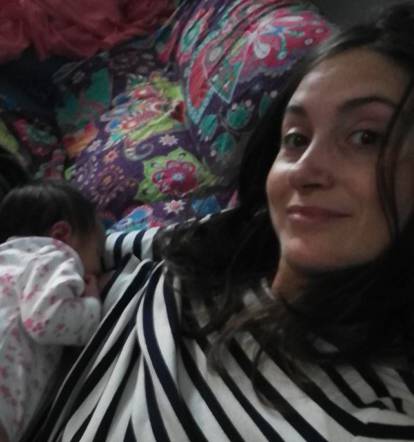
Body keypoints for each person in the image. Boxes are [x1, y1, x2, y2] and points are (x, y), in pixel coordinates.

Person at [30, 2, 414, 441]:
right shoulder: (232, 237)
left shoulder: (375, 422)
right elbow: (71, 251)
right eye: (296, 138)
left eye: (366, 137)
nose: (305, 170)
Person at [0, 180, 105, 442]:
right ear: (60, 234)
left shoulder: (9, 260)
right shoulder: (52, 255)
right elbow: (48, 321)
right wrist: (92, 304)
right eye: (98, 250)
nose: (99, 265)